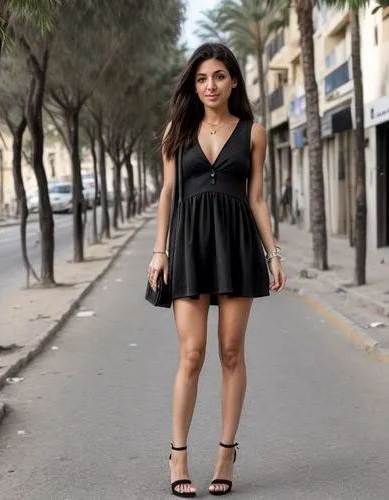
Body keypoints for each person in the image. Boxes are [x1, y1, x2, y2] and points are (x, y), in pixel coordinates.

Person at [147, 42, 286, 497]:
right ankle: (178, 454)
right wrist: (159, 251)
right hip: (188, 246)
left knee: (231, 352)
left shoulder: (254, 133)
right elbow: (168, 193)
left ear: (233, 82)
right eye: (203, 78)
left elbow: (257, 198)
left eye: (219, 76)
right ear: (194, 83)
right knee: (192, 354)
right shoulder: (177, 131)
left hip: (235, 245)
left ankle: (226, 453)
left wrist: (273, 254)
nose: (210, 85)